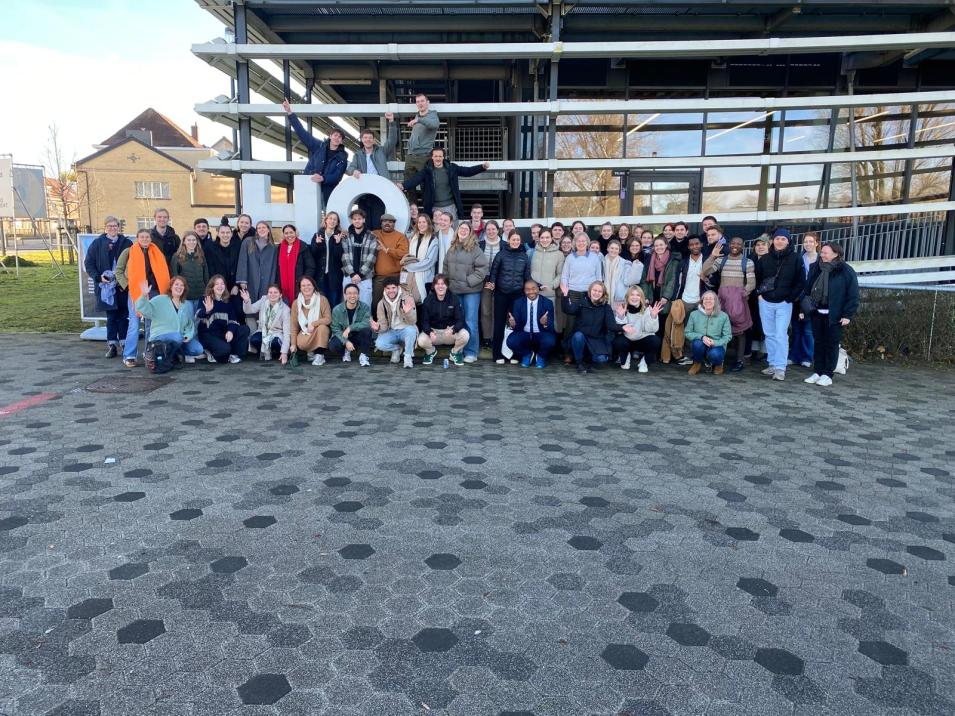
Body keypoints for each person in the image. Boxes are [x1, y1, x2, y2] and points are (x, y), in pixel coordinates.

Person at [800, 242, 859, 387]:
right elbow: (807, 290)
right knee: (818, 343)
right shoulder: (815, 267)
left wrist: (847, 314)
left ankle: (828, 374)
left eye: (826, 252)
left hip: (835, 316)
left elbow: (853, 294)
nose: (822, 254)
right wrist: (803, 309)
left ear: (836, 254)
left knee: (831, 344)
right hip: (816, 313)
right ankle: (818, 371)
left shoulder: (846, 270)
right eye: (822, 252)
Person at [115, 228, 170, 367]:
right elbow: (119, 271)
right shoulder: (128, 252)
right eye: (142, 237)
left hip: (154, 292)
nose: (145, 239)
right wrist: (127, 286)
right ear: (137, 238)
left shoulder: (157, 252)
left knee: (150, 325)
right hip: (136, 292)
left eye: (147, 237)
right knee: (134, 324)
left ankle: (148, 352)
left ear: (150, 238)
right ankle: (129, 355)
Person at [755, 228, 804, 381]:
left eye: (783, 239)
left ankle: (780, 368)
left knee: (780, 335)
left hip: (784, 303)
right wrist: (759, 295)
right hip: (766, 302)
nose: (780, 241)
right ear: (772, 241)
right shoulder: (765, 259)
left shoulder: (796, 258)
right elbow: (757, 278)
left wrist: (789, 298)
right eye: (777, 239)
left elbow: (801, 281)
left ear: (788, 241)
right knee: (769, 334)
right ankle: (772, 363)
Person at [703, 237, 755, 372]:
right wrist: (712, 256)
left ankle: (739, 360)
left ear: (742, 246)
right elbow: (706, 271)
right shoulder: (722, 260)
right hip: (723, 299)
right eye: (733, 243)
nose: (735, 245)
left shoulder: (748, 262)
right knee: (719, 328)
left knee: (740, 330)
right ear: (729, 244)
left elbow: (751, 282)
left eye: (739, 244)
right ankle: (718, 359)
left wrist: (743, 293)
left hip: (738, 300)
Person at [282, 99, 348, 205]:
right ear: (330, 136)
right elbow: (302, 133)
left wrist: (323, 178)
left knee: (327, 218)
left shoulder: (342, 158)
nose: (337, 138)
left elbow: (337, 176)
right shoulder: (319, 146)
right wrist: (290, 113)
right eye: (335, 135)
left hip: (327, 192)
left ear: (341, 141)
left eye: (340, 137)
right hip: (309, 187)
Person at [84, 215, 132, 358]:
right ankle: (112, 344)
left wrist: (127, 280)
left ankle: (124, 343)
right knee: (111, 317)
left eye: (115, 226)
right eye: (109, 226)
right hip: (106, 287)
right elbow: (89, 264)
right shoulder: (97, 243)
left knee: (124, 315)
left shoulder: (127, 243)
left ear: (118, 227)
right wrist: (99, 277)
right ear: (105, 228)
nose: (112, 228)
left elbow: (134, 262)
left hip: (123, 285)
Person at [402, 147, 489, 219]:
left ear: (443, 157)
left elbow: (467, 171)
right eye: (435, 156)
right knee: (436, 233)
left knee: (453, 233)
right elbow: (415, 180)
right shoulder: (426, 171)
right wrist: (402, 186)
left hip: (450, 206)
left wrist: (482, 167)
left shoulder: (452, 168)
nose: (438, 158)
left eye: (440, 156)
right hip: (434, 208)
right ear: (432, 157)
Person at [133, 275, 205, 364]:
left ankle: (175, 353)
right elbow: (145, 310)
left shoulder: (187, 305)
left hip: (179, 338)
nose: (179, 287)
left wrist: (187, 336)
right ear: (171, 287)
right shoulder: (160, 299)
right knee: (177, 337)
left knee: (198, 349)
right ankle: (169, 357)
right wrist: (144, 296)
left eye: (182, 285)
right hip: (160, 336)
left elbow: (190, 325)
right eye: (176, 284)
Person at [444, 222, 488, 363]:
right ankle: (459, 350)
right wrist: (447, 283)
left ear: (470, 232)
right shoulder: (452, 248)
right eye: (461, 228)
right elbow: (445, 267)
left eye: (466, 229)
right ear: (457, 231)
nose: (463, 231)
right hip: (454, 291)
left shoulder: (476, 249)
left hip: (471, 292)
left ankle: (471, 352)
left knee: (470, 322)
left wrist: (468, 281)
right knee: (458, 321)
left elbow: (482, 270)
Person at [347, 113, 398, 229]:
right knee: (365, 223)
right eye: (365, 138)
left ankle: (375, 245)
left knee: (376, 222)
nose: (368, 140)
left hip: (379, 191)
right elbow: (350, 168)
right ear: (362, 140)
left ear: (374, 140)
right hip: (364, 193)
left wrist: (392, 123)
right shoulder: (358, 154)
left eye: (370, 138)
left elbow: (392, 140)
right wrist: (354, 171)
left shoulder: (381, 151)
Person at [559, 232, 604, 363]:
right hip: (573, 293)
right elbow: (564, 276)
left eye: (584, 241)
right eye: (578, 241)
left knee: (587, 323)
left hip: (589, 294)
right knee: (570, 324)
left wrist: (597, 293)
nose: (581, 243)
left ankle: (587, 353)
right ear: (575, 243)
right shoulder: (570, 258)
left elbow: (599, 277)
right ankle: (568, 353)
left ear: (587, 243)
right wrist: (565, 290)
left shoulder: (595, 258)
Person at [488, 229, 531, 364]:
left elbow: (527, 276)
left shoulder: (524, 256)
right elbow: (493, 272)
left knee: (516, 324)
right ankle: (497, 354)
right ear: (508, 240)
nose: (516, 242)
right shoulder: (501, 254)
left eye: (518, 240)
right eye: (513, 239)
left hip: (517, 294)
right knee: (499, 324)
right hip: (501, 293)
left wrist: (536, 285)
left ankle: (515, 355)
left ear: (520, 241)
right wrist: (492, 283)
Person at [561, 281, 622, 374]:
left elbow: (611, 326)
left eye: (599, 291)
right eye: (594, 290)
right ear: (590, 291)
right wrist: (565, 296)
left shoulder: (606, 307)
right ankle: (579, 363)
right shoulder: (582, 303)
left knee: (602, 359)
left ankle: (589, 360)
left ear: (603, 294)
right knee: (578, 336)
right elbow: (568, 310)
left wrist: (623, 327)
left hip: (596, 340)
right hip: (581, 338)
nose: (596, 293)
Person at [662, 236, 705, 365]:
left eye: (697, 244)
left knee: (700, 329)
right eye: (691, 245)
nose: (694, 246)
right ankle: (686, 355)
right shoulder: (684, 262)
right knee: (684, 329)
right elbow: (677, 282)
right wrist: (676, 299)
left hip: (701, 300)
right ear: (688, 247)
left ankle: (701, 356)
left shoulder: (707, 260)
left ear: (701, 245)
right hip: (685, 300)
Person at [196, 275, 250, 364]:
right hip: (208, 334)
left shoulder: (227, 301)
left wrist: (230, 331)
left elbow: (233, 320)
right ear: (212, 286)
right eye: (217, 284)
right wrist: (207, 311)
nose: (220, 286)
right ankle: (211, 352)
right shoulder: (205, 298)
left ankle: (234, 354)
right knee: (224, 350)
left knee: (244, 329)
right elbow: (199, 315)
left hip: (222, 334)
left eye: (222, 284)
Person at [418, 274, 469, 366]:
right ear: (433, 286)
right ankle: (430, 352)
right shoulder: (428, 300)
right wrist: (429, 332)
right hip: (434, 333)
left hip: (449, 332)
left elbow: (460, 320)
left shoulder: (454, 299)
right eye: (437, 284)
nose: (440, 286)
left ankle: (455, 353)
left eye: (443, 284)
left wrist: (453, 330)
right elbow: (424, 321)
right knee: (421, 340)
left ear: (447, 286)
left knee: (465, 335)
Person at [639, 237, 681, 346]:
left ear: (666, 245)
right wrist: (646, 296)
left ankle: (661, 352)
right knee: (650, 323)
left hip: (664, 297)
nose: (659, 247)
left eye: (661, 245)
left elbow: (673, 280)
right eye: (656, 245)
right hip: (652, 295)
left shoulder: (673, 259)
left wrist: (666, 296)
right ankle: (651, 350)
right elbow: (644, 280)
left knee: (662, 324)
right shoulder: (649, 259)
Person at [236, 220, 278, 330]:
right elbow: (242, 260)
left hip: (267, 281)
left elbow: (274, 266)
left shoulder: (273, 247)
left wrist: (273, 284)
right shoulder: (248, 242)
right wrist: (242, 280)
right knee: (250, 302)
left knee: (264, 305)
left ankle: (262, 334)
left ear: (268, 230)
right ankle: (252, 333)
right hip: (251, 279)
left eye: (264, 227)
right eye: (259, 228)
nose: (261, 230)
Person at [506, 279, 556, 368]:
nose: (531, 292)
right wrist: (513, 324)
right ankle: (527, 354)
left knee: (550, 340)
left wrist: (544, 323)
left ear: (538, 289)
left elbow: (551, 328)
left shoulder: (547, 303)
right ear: (524, 291)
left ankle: (540, 356)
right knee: (511, 341)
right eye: (527, 289)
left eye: (533, 289)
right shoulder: (518, 303)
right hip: (525, 333)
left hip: (540, 333)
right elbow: (517, 329)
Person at [612, 286, 663, 372]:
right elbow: (619, 330)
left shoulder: (648, 309)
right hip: (628, 339)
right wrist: (621, 317)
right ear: (627, 297)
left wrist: (653, 316)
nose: (635, 297)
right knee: (618, 342)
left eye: (638, 295)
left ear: (641, 298)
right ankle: (625, 356)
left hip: (643, 339)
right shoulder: (623, 308)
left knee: (655, 341)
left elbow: (652, 330)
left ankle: (644, 362)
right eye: (632, 295)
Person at [403, 93, 440, 208]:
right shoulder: (417, 116)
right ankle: (413, 211)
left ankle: (426, 213)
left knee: (426, 186)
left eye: (422, 101)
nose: (420, 103)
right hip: (410, 156)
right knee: (409, 186)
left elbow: (434, 125)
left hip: (423, 156)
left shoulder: (432, 115)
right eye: (417, 101)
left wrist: (419, 120)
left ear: (427, 102)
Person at [372, 277, 418, 368]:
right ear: (385, 289)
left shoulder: (407, 298)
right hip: (391, 331)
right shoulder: (381, 303)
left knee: (412, 331)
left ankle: (408, 357)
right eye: (388, 288)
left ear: (398, 287)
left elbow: (413, 321)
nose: (391, 291)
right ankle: (397, 349)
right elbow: (384, 326)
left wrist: (407, 313)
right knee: (379, 344)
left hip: (405, 328)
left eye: (393, 288)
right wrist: (378, 328)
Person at [685, 290, 732, 376]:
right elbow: (687, 332)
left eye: (711, 299)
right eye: (705, 299)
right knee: (697, 344)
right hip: (700, 342)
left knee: (715, 354)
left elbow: (728, 336)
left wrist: (715, 342)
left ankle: (718, 364)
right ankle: (697, 363)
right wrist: (702, 337)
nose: (708, 301)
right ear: (702, 301)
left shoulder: (723, 316)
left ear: (715, 301)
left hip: (716, 345)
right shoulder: (694, 314)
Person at [789, 233, 818, 369]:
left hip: (812, 299)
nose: (808, 244)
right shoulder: (799, 258)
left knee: (808, 331)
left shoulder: (820, 260)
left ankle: (807, 357)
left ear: (816, 243)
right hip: (797, 297)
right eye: (805, 242)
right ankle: (794, 356)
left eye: (811, 241)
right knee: (796, 329)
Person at [371, 213, 409, 316]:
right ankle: (377, 326)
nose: (387, 223)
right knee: (376, 303)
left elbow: (404, 253)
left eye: (391, 222)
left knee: (396, 303)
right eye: (385, 221)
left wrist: (388, 250)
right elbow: (358, 232)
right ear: (381, 223)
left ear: (394, 224)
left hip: (395, 276)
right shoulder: (375, 234)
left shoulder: (400, 236)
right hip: (379, 277)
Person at [241, 284, 291, 364]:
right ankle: (264, 352)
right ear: (267, 294)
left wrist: (284, 352)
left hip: (276, 334)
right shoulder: (263, 300)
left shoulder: (285, 309)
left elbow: (287, 333)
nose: (272, 294)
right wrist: (247, 301)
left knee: (274, 342)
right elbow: (249, 310)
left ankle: (277, 353)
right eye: (270, 292)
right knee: (255, 339)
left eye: (275, 292)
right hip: (263, 331)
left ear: (280, 295)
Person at [530, 228, 565, 338]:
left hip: (549, 295)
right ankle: (534, 351)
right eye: (542, 237)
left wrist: (551, 285)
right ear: (538, 238)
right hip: (533, 294)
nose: (545, 240)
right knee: (533, 323)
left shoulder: (559, 254)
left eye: (547, 237)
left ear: (551, 238)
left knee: (548, 323)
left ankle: (548, 351)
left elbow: (560, 274)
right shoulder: (531, 253)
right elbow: (527, 272)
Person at [205, 219, 243, 318]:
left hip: (234, 286)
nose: (225, 235)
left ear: (231, 234)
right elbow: (210, 268)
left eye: (227, 232)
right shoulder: (211, 247)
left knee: (238, 311)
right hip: (218, 287)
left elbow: (240, 266)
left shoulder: (237, 246)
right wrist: (217, 286)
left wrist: (236, 285)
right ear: (218, 234)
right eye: (222, 232)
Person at [290, 275, 332, 366]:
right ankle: (311, 352)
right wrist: (293, 344)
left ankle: (319, 355)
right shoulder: (296, 303)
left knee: (322, 328)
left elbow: (328, 319)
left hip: (318, 331)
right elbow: (293, 326)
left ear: (313, 286)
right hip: (305, 332)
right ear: (300, 288)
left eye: (309, 285)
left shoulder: (322, 299)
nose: (306, 288)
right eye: (303, 285)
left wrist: (314, 323)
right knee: (300, 342)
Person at [340, 208, 377, 307]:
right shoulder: (346, 236)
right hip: (349, 276)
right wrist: (352, 274)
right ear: (352, 220)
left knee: (365, 305)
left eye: (359, 218)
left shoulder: (371, 236)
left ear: (364, 220)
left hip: (365, 277)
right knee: (348, 305)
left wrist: (360, 275)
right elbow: (344, 256)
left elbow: (372, 257)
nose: (357, 221)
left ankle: (365, 323)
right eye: (355, 219)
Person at [329, 283, 372, 366]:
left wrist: (350, 328)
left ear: (359, 295)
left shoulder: (365, 307)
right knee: (333, 346)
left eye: (355, 293)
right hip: (343, 336)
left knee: (367, 331)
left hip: (357, 336)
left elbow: (367, 323)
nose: (352, 296)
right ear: (345, 295)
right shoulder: (337, 309)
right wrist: (346, 342)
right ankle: (345, 351)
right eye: (349, 293)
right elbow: (335, 329)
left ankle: (363, 355)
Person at [311, 211, 347, 309]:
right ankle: (324, 323)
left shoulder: (340, 236)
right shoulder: (318, 235)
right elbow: (314, 255)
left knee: (334, 301)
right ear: (326, 220)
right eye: (330, 218)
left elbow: (339, 257)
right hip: (321, 275)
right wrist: (317, 244)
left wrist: (337, 243)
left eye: (335, 219)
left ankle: (334, 323)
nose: (332, 221)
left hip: (335, 275)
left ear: (337, 222)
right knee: (322, 302)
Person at [402, 213, 439, 303]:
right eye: (419, 222)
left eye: (424, 222)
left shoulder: (433, 239)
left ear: (428, 224)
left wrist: (411, 267)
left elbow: (430, 261)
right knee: (411, 301)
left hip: (425, 276)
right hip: (412, 276)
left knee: (424, 301)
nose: (421, 224)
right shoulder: (413, 237)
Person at [479, 220, 504, 349]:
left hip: (500, 280)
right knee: (485, 310)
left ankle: (496, 336)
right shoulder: (480, 244)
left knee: (498, 310)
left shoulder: (504, 245)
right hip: (484, 280)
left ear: (498, 230)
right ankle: (487, 337)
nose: (491, 232)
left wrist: (497, 281)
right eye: (488, 229)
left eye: (493, 229)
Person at [275, 224, 314, 304]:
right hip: (282, 285)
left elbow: (310, 267)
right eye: (286, 233)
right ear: (283, 235)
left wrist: (304, 281)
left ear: (295, 233)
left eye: (291, 232)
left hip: (299, 285)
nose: (289, 235)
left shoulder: (303, 246)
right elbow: (277, 268)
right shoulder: (279, 248)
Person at [745, 238, 770, 360]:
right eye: (758, 245)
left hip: (767, 297)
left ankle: (766, 352)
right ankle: (754, 350)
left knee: (766, 324)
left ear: (768, 246)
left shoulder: (772, 259)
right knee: (753, 323)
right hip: (752, 297)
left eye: (763, 245)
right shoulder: (750, 259)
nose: (760, 247)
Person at [169, 230, 209, 301]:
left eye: (194, 240)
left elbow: (206, 275)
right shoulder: (177, 257)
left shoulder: (201, 256)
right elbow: (174, 276)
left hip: (200, 295)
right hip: (185, 297)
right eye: (189, 240)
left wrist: (207, 291)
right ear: (184, 241)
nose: (191, 242)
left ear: (197, 242)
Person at [603, 239, 643, 307]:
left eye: (616, 249)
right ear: (608, 249)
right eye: (612, 248)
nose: (614, 250)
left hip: (619, 298)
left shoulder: (625, 263)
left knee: (619, 316)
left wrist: (636, 267)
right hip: (604, 296)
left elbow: (628, 281)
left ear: (619, 251)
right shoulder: (602, 261)